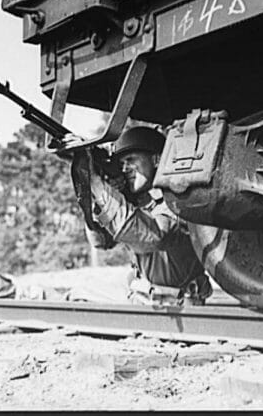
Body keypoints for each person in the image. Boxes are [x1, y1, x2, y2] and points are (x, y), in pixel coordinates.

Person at [64, 126, 213, 306]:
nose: (125, 169)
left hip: (176, 306)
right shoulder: (141, 202)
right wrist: (100, 194)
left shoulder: (178, 199)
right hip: (143, 298)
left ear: (157, 159)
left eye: (131, 159)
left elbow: (153, 236)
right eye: (121, 164)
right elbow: (102, 241)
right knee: (77, 292)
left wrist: (96, 183)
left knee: (79, 297)